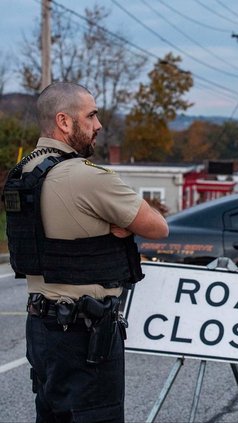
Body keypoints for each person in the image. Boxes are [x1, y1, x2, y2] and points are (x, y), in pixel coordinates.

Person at [3, 82, 169, 423]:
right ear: (64, 122)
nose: (98, 125)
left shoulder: (23, 175)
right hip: (86, 335)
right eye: (91, 115)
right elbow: (157, 227)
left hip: (42, 331)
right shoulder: (86, 177)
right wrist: (121, 226)